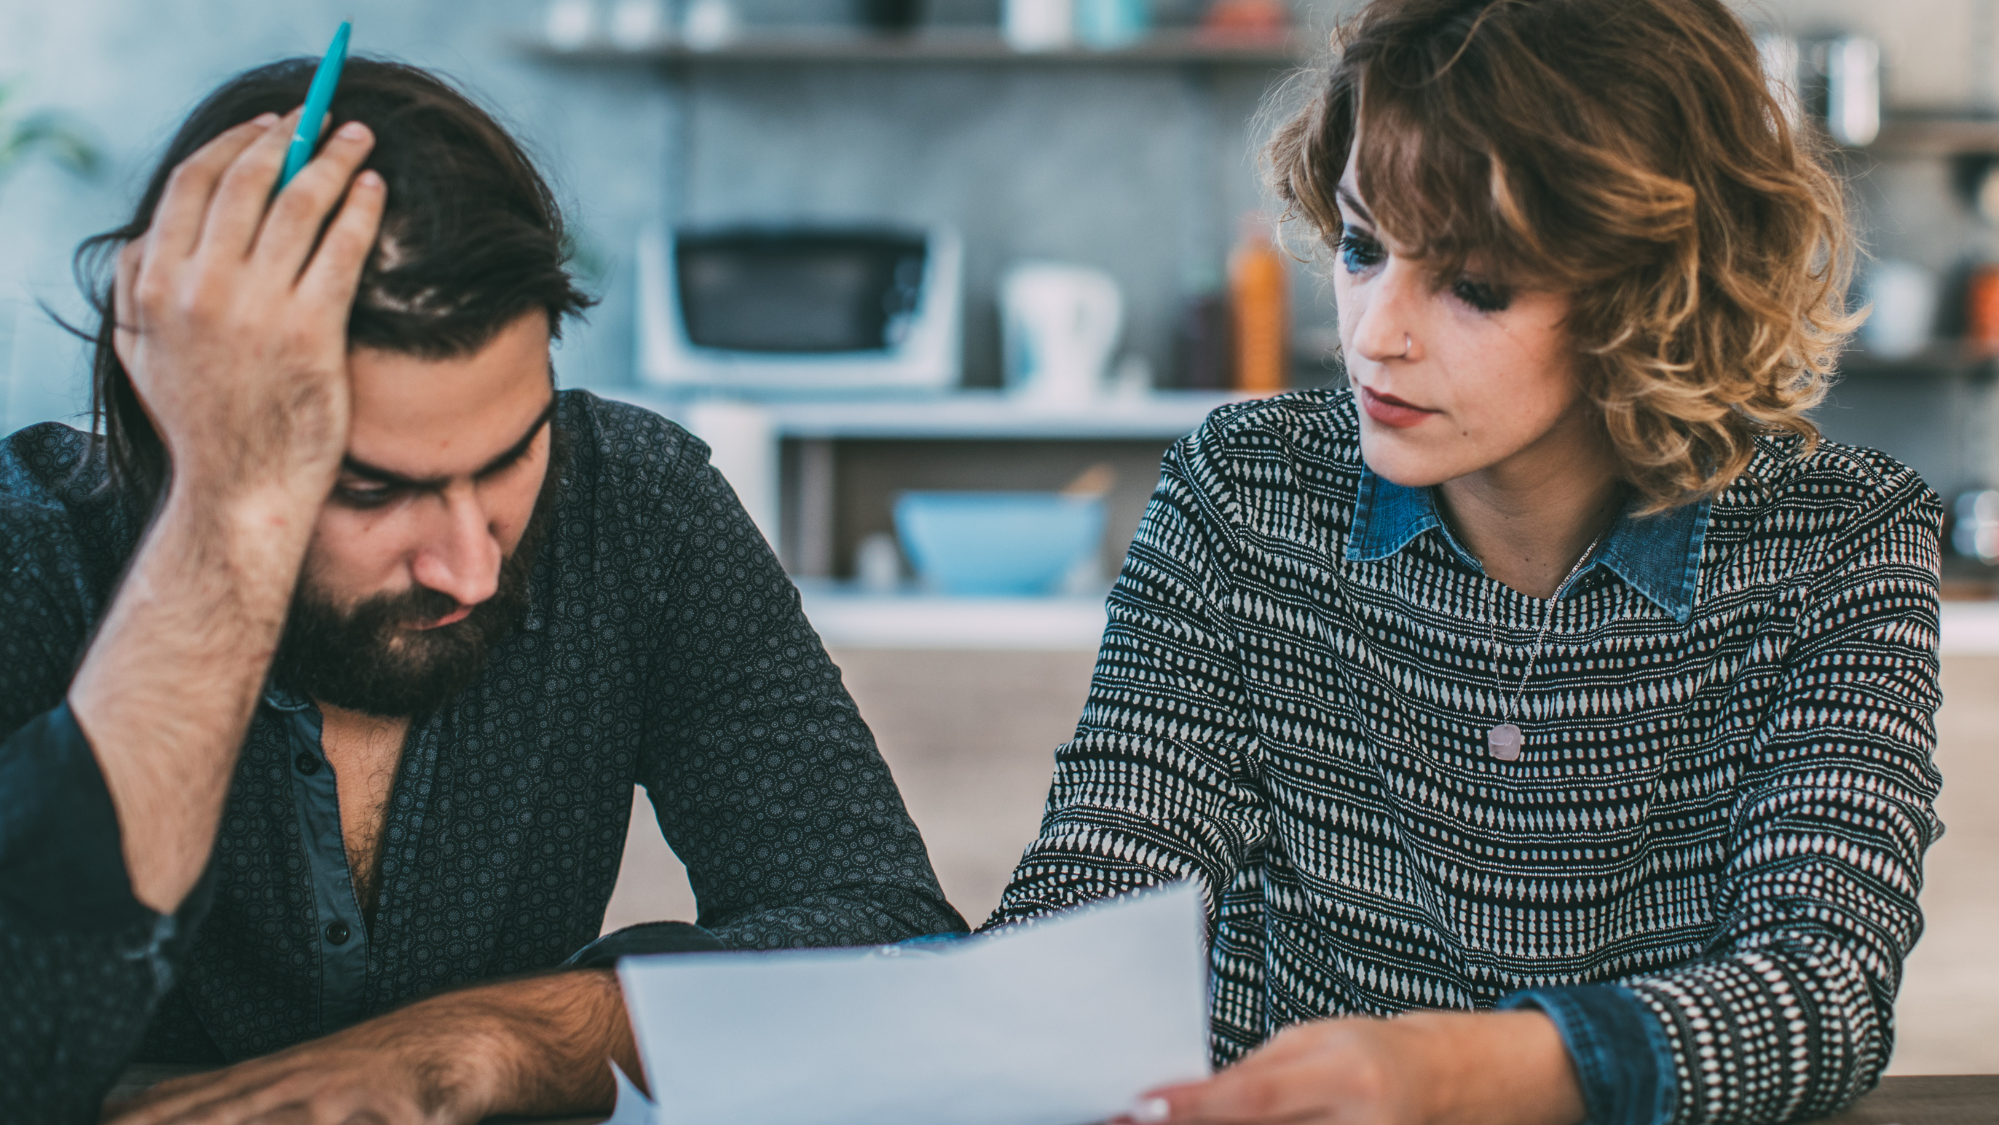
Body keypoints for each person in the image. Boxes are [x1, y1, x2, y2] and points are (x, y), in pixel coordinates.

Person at [988, 2, 1943, 1124]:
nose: (1372, 334)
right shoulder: (1246, 493)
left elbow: (1818, 997)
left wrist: (1444, 1076)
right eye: (1361, 246)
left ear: (1653, 292)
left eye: (1475, 285)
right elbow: (1106, 877)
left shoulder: (1839, 541)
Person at [0, 59, 964, 1124]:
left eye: (512, 454)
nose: (473, 566)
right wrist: (219, 528)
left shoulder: (636, 506)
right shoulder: (27, 550)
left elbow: (890, 946)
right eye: (371, 489)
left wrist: (490, 1043)